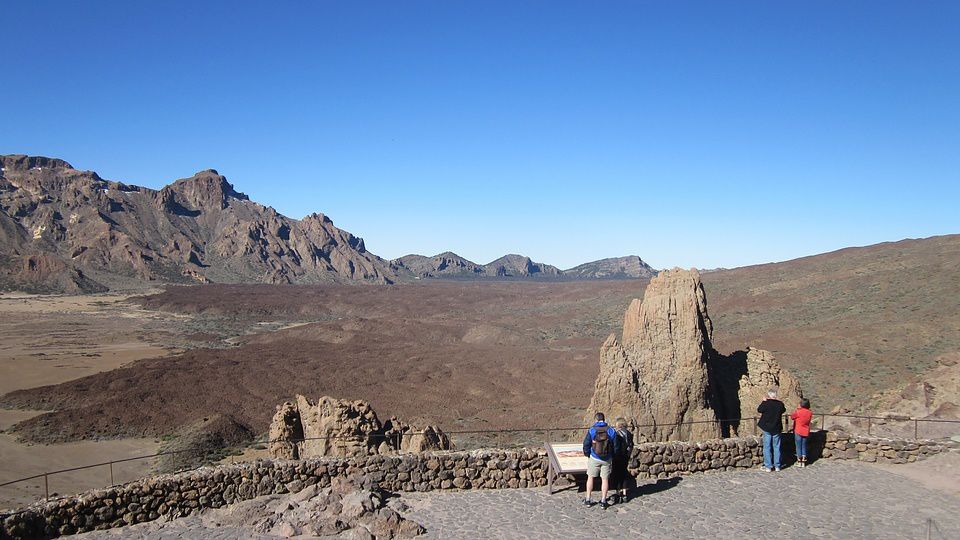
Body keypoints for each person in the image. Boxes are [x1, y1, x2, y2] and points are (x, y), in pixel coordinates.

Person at [582, 412, 620, 509]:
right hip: (607, 459)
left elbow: (586, 444)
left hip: (594, 457)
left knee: (590, 477)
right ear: (604, 419)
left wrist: (587, 454)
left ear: (596, 419)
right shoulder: (611, 431)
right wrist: (612, 456)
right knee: (605, 479)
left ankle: (588, 499)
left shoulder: (592, 430)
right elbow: (616, 446)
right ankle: (603, 501)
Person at [757, 388, 786, 472]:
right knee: (777, 446)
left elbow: (759, 409)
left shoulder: (766, 404)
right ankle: (777, 466)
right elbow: (783, 410)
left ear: (769, 395)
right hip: (777, 428)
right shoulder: (780, 404)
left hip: (767, 428)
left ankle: (768, 466)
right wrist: (777, 401)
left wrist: (764, 401)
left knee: (767, 447)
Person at [611, 418, 634, 504]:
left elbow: (615, 446)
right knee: (624, 474)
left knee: (617, 475)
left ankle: (618, 493)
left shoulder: (617, 434)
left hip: (617, 458)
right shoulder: (629, 434)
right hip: (625, 458)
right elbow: (631, 446)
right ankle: (624, 494)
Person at [791, 398, 813, 467]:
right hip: (806, 431)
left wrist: (797, 409)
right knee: (804, 445)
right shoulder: (809, 412)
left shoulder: (798, 412)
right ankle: (803, 462)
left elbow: (792, 417)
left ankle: (799, 461)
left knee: (798, 446)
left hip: (798, 430)